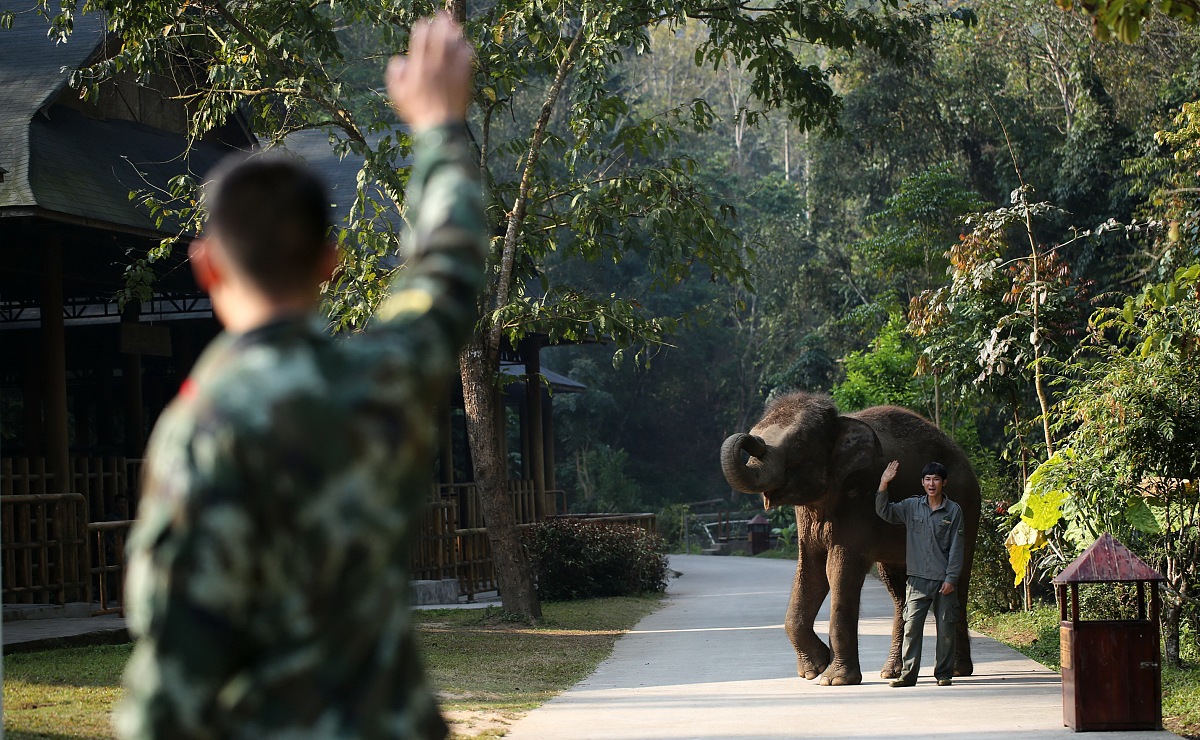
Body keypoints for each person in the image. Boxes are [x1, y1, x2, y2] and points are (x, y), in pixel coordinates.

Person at [115, 15, 483, 739]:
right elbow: (446, 267)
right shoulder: (386, 378)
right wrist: (440, 128)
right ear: (331, 263)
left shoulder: (203, 430)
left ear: (206, 266)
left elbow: (175, 669)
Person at [875, 460, 966, 688]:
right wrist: (884, 482)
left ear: (944, 482)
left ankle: (943, 674)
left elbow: (957, 548)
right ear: (922, 483)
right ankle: (908, 675)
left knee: (946, 630)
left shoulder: (953, 511)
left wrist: (951, 579)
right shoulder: (911, 506)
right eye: (927, 479)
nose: (931, 484)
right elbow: (885, 512)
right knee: (911, 628)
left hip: (943, 581)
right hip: (917, 580)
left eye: (936, 479)